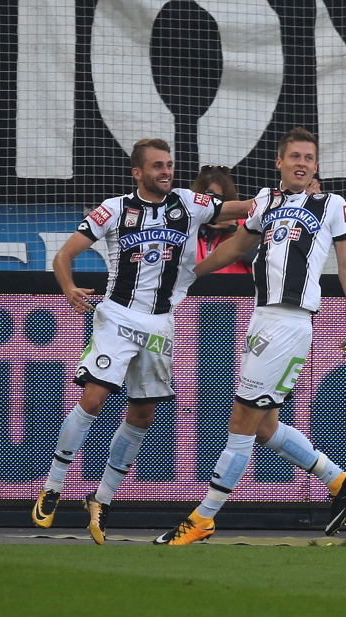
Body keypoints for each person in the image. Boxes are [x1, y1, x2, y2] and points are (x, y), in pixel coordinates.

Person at [155, 128, 346, 545]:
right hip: (262, 320)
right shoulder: (266, 202)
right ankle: (339, 482)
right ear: (279, 162)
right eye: (294, 156)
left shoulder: (331, 204)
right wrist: (186, 275)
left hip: (290, 323)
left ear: (316, 167)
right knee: (265, 427)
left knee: (241, 419)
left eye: (309, 158)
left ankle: (205, 516)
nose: (302, 163)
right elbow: (236, 248)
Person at [31, 138, 251, 543]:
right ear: (137, 172)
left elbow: (240, 208)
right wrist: (68, 287)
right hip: (116, 316)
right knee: (94, 398)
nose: (166, 171)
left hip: (160, 325)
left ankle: (102, 499)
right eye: (157, 166)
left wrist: (282, 200)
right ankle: (53, 486)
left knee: (143, 414)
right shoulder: (113, 209)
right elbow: (63, 257)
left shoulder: (187, 202)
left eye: (169, 164)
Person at [192, 164, 252, 274]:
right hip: (194, 288)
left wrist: (233, 228)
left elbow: (259, 257)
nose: (213, 205)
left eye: (218, 199)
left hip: (235, 288)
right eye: (207, 199)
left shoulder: (244, 224)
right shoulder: (187, 225)